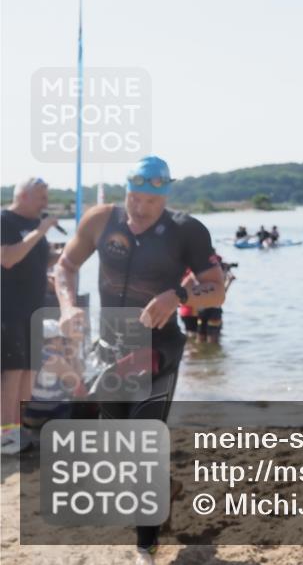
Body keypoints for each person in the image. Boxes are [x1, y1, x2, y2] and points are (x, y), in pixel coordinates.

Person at [54, 156, 226, 562]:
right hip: (110, 347)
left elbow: (218, 288)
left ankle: (146, 549)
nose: (140, 208)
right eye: (134, 197)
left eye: (150, 200)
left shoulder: (187, 230)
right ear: (125, 189)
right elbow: (66, 264)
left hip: (158, 348)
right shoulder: (100, 220)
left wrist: (178, 296)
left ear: (165, 196)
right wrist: (66, 306)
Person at [1, 178, 61, 454]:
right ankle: (5, 436)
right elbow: (9, 257)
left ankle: (20, 432)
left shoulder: (37, 229)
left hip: (34, 310)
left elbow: (35, 259)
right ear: (23, 196)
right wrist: (40, 230)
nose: (45, 204)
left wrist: (61, 257)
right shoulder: (5, 221)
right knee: (11, 376)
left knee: (29, 374)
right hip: (8, 311)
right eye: (41, 197)